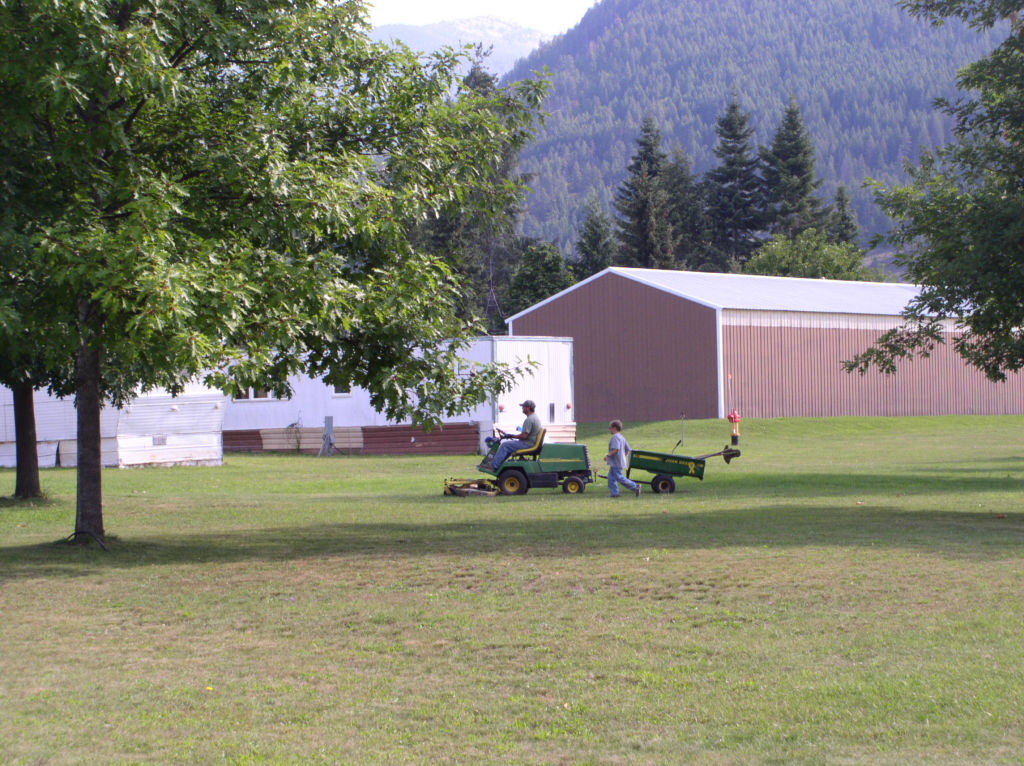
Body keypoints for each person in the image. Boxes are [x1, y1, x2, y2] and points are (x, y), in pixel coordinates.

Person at [485, 400, 542, 469]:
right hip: (531, 443)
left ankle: (493, 466)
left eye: (523, 407)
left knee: (505, 445)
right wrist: (511, 436)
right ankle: (498, 464)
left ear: (528, 408)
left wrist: (511, 436)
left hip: (527, 444)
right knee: (508, 445)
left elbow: (524, 436)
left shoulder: (529, 419)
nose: (522, 408)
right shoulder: (535, 417)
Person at [605, 419, 641, 497]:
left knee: (619, 478)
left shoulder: (615, 437)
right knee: (611, 479)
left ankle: (635, 487)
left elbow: (616, 449)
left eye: (610, 427)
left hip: (616, 463)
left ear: (614, 428)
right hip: (619, 461)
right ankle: (615, 494)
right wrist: (622, 456)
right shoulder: (622, 437)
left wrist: (608, 455)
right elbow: (627, 450)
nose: (609, 429)